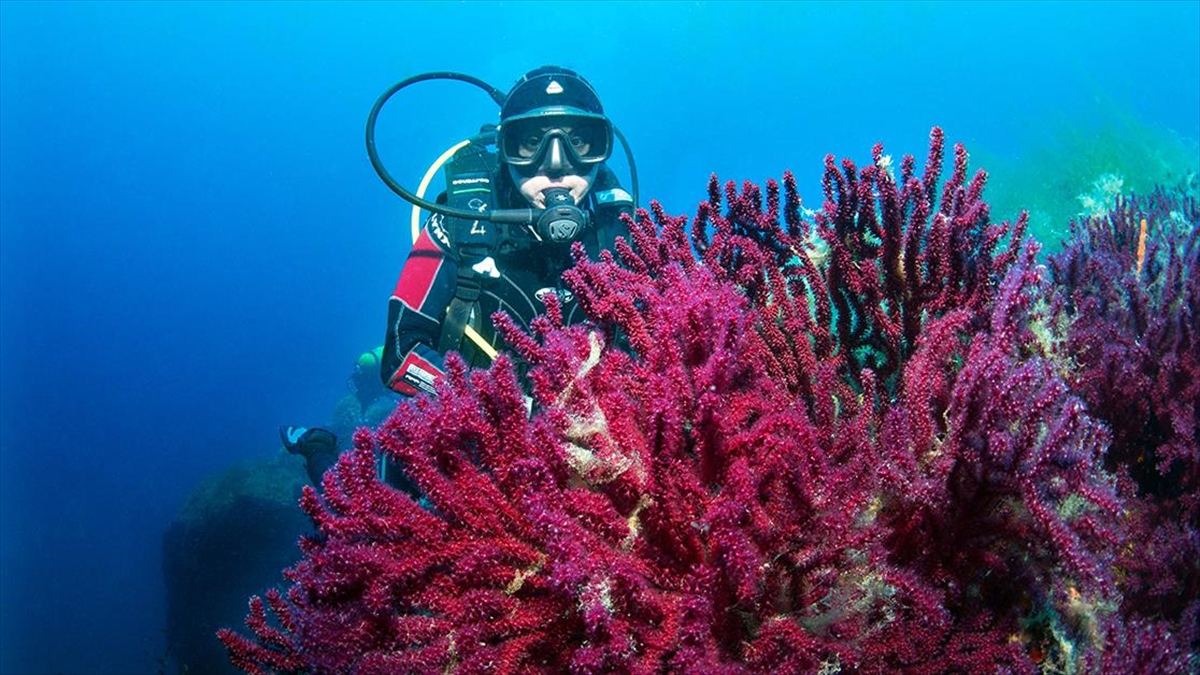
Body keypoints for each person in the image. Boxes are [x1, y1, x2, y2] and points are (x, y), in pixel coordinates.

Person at [285, 65, 635, 487]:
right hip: (470, 440)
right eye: (529, 143)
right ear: (505, 151)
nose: (557, 166)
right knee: (349, 514)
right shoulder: (458, 222)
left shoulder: (621, 228)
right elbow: (400, 354)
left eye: (578, 142)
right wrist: (501, 408)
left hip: (591, 440)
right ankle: (317, 447)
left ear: (602, 149)